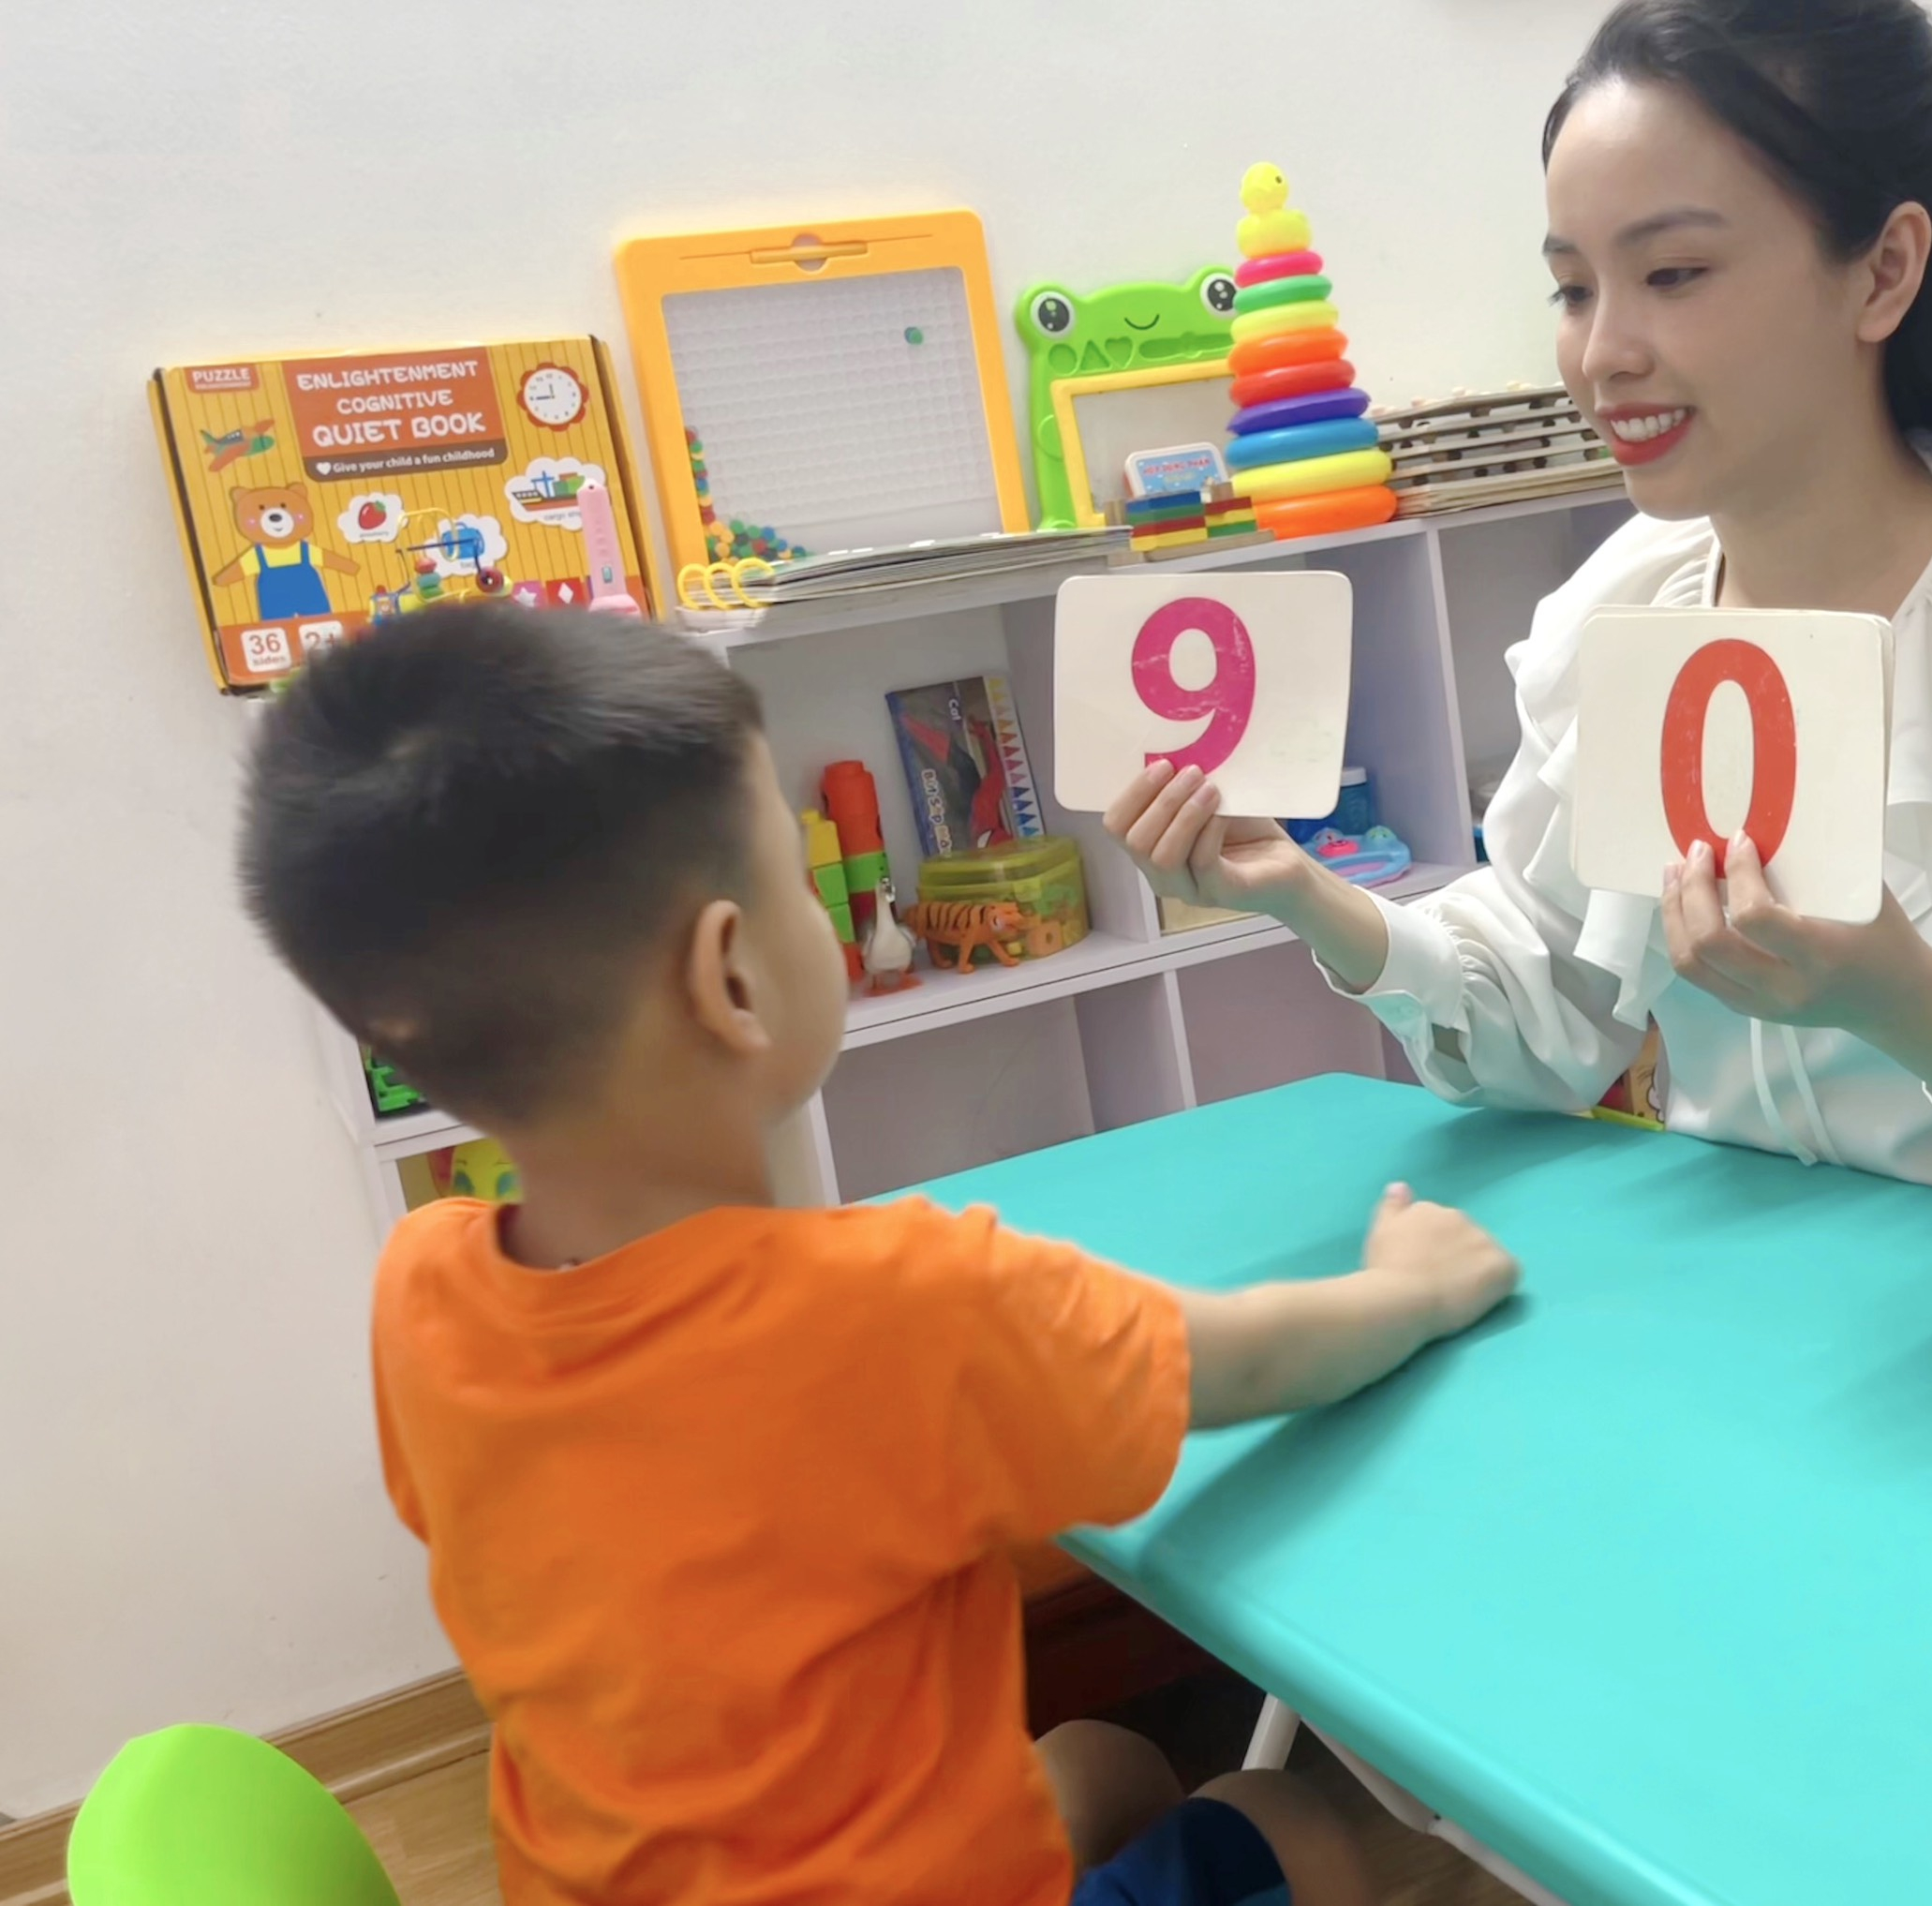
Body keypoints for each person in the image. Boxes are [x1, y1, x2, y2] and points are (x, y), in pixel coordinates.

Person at [237, 603, 1521, 1906]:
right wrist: (1408, 1286)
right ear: (731, 980)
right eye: (800, 881)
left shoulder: (423, 1286)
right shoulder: (902, 1309)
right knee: (1288, 1819)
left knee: (1101, 1760)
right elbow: (1246, 1364)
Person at [1111, 0, 1932, 1277]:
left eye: (1674, 274)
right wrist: (1309, 895)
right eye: (1573, 288)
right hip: (1757, 1326)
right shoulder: (1619, 618)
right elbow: (1550, 1013)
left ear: (1883, 271)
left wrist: (1918, 1005)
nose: (1604, 353)